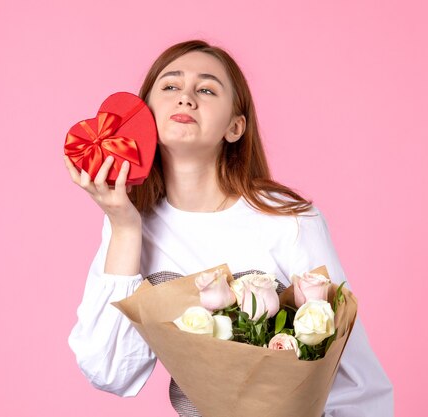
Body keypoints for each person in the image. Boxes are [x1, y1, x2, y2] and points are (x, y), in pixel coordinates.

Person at [65, 39, 393, 417]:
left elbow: (358, 378)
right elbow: (109, 372)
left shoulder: (289, 220)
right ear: (145, 117)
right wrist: (123, 228)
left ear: (235, 127)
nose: (185, 98)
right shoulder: (131, 227)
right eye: (170, 86)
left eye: (205, 89)